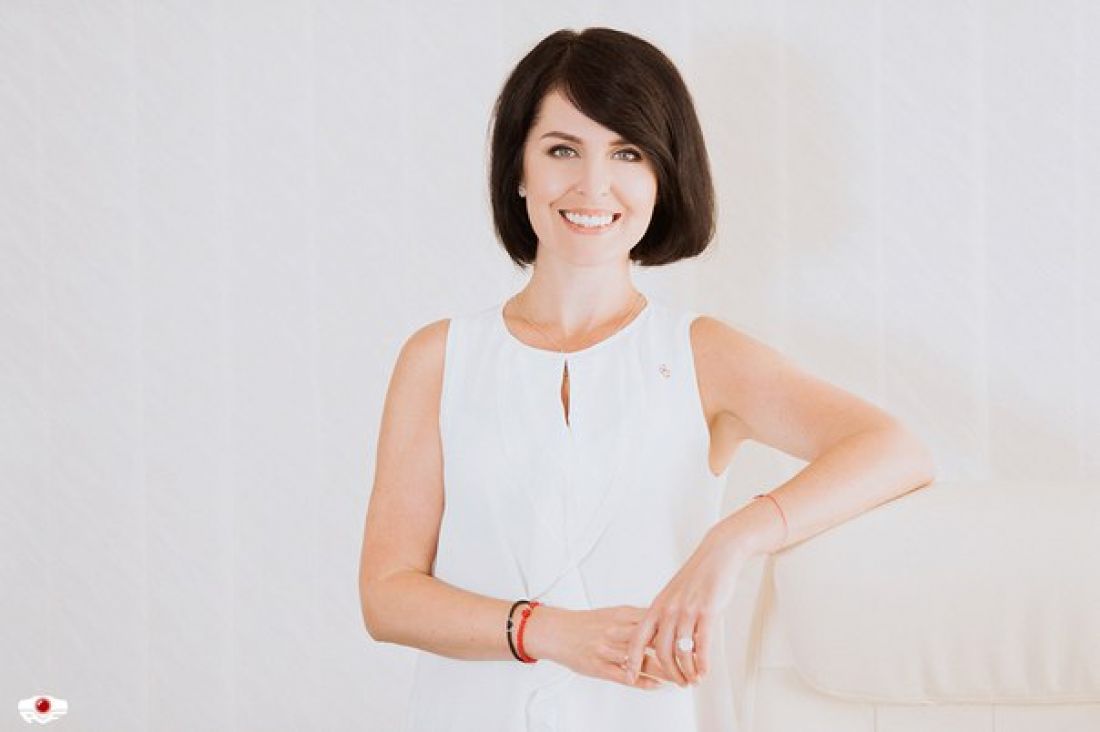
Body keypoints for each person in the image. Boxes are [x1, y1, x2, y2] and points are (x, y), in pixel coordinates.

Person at [358, 27, 935, 732]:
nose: (593, 184)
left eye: (627, 152)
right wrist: (549, 631)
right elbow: (387, 594)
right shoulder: (440, 358)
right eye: (562, 149)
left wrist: (732, 540)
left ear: (663, 176)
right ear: (519, 169)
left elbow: (894, 448)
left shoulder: (702, 355)